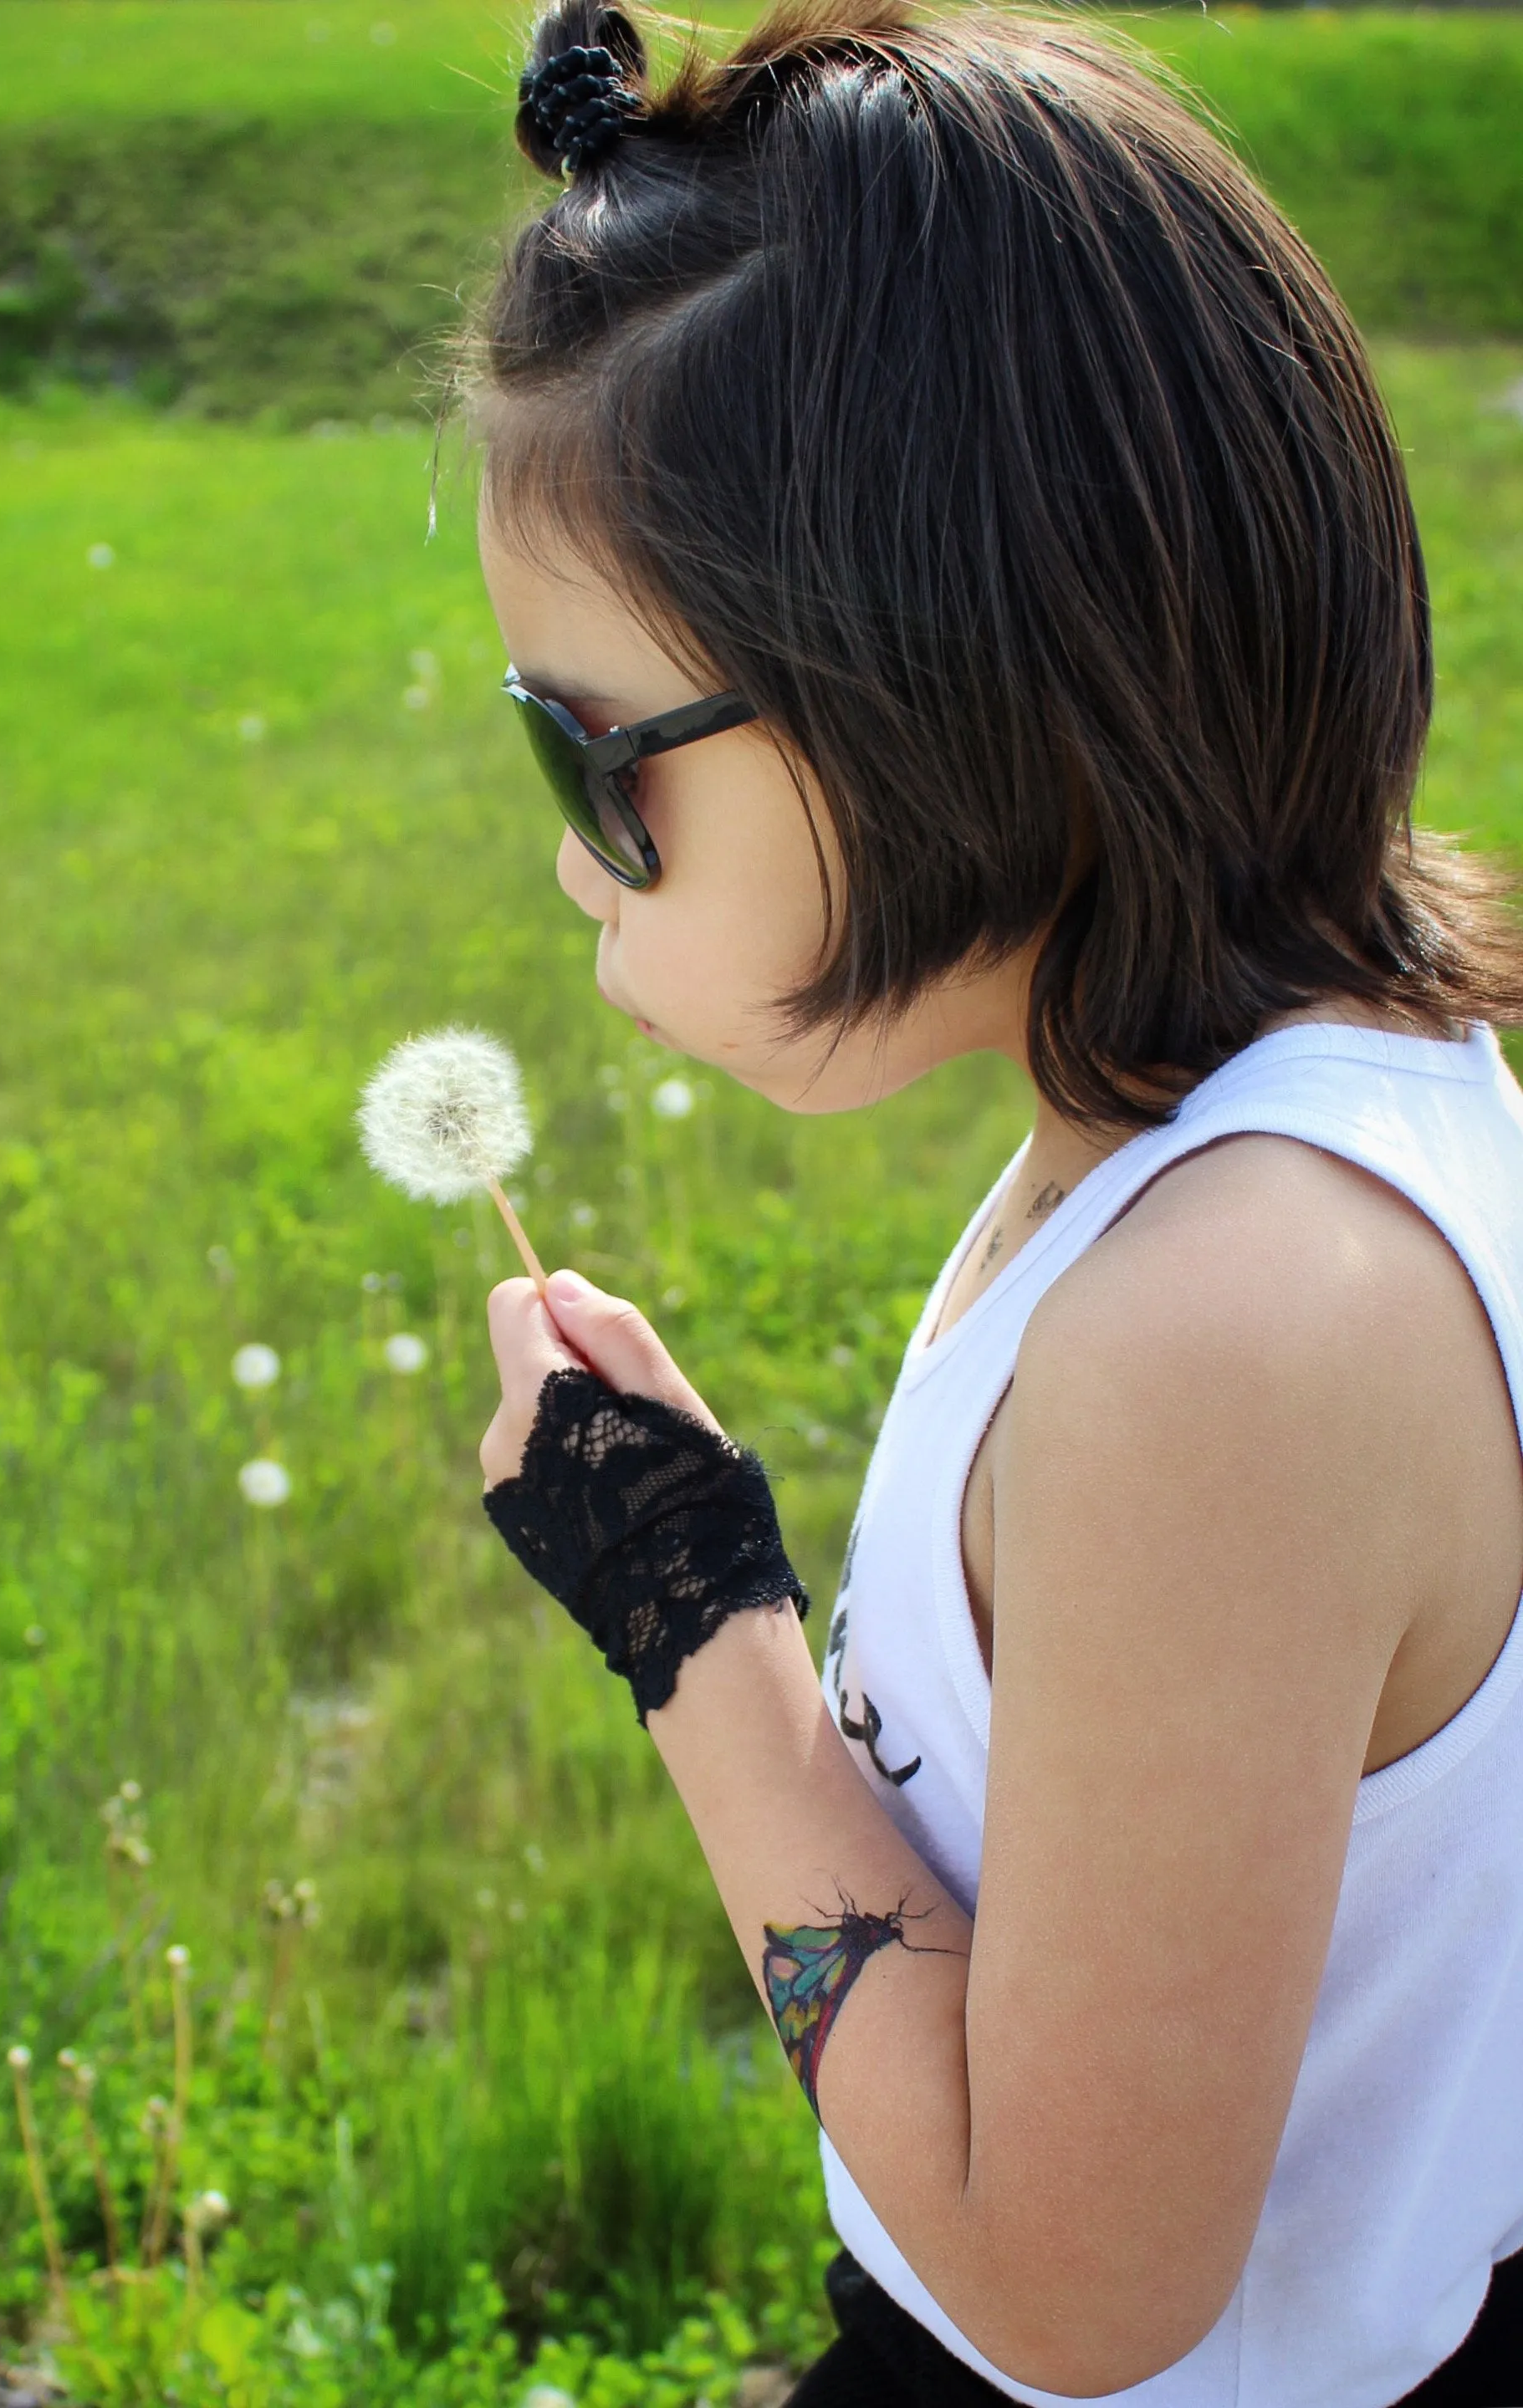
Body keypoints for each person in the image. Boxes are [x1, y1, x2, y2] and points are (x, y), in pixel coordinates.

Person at [463, 5, 1523, 2402]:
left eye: (592, 755)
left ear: (944, 696)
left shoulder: (1231, 1338)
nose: (566, 860)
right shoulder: (1316, 1095)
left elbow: (1073, 2291)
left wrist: (698, 1635)